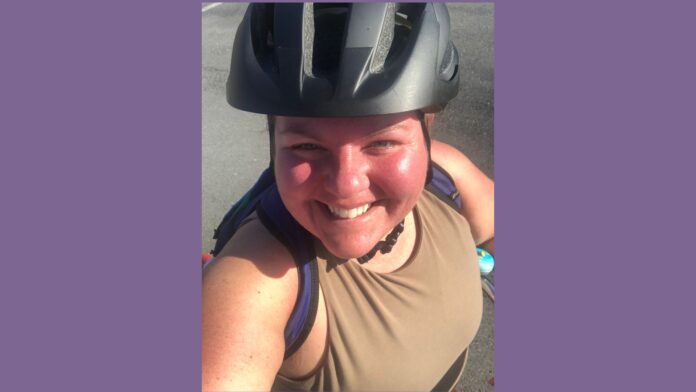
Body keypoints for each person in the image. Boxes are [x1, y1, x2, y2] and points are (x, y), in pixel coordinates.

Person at [202, 3, 494, 391]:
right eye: (307, 146)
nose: (345, 184)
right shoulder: (255, 282)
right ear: (273, 144)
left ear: (428, 133)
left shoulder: (445, 177)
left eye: (384, 142)